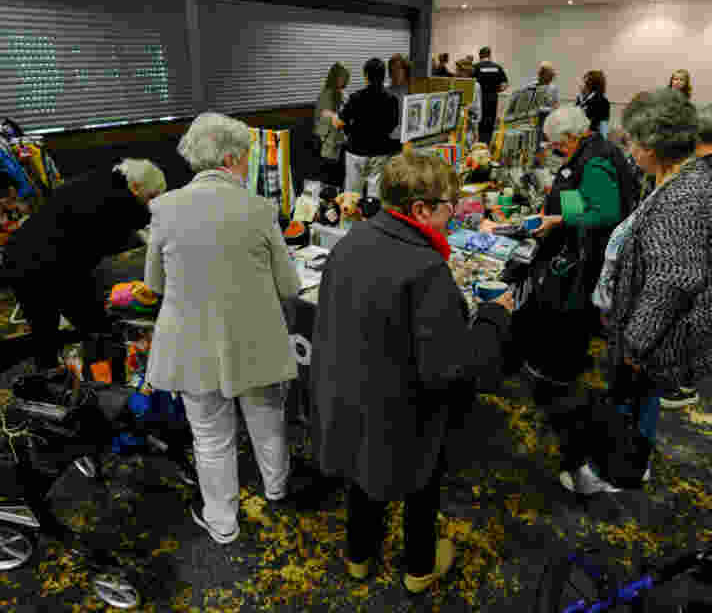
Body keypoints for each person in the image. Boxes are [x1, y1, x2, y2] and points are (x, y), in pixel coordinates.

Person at [309, 151, 513, 593]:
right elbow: (449, 368)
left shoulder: (351, 241)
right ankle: (419, 568)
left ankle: (360, 556)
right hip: (403, 409)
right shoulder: (425, 269)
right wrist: (494, 318)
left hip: (349, 392)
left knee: (362, 479)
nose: (452, 216)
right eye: (448, 208)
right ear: (421, 209)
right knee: (421, 489)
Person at [143, 113, 303, 545]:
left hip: (192, 344)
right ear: (233, 157)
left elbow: (153, 284)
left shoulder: (163, 208)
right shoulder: (259, 209)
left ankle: (222, 522)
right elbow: (289, 285)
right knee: (268, 420)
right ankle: (276, 488)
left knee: (210, 438)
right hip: (256, 340)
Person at [560, 88, 712, 493]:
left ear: (653, 146)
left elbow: (674, 281)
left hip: (653, 337)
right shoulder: (675, 179)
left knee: (632, 403)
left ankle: (620, 471)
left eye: (633, 142)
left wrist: (634, 345)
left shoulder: (683, 199)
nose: (628, 149)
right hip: (648, 328)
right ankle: (627, 460)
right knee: (636, 402)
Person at [507, 105, 635, 392]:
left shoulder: (594, 160)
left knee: (569, 310)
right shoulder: (591, 150)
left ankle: (557, 372)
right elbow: (582, 195)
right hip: (579, 244)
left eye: (557, 143)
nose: (555, 149)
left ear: (569, 136)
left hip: (586, 253)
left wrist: (559, 219)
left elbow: (604, 213)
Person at [2, 159, 166, 371]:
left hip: (21, 255)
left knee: (44, 330)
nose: (151, 203)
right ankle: (104, 377)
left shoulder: (97, 178)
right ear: (135, 187)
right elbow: (123, 236)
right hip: (51, 265)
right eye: (150, 197)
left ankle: (50, 380)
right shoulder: (118, 198)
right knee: (95, 324)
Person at [340, 58, 399, 199]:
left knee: (353, 195)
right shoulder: (391, 99)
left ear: (366, 75)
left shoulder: (355, 97)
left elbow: (343, 121)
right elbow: (393, 124)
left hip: (356, 150)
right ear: (384, 75)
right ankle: (373, 220)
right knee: (375, 195)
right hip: (380, 151)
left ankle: (352, 221)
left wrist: (349, 133)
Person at [313, 62, 350, 186]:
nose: (343, 80)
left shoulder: (344, 94)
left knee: (340, 179)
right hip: (328, 145)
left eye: (345, 77)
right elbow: (321, 119)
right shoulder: (326, 94)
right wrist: (333, 117)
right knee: (329, 180)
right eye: (341, 77)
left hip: (342, 143)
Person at [472, 47, 508, 145]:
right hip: (493, 99)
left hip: (480, 99)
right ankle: (487, 145)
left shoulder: (476, 67)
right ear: (489, 55)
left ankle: (479, 146)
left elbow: (470, 85)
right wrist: (495, 90)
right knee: (490, 123)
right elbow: (504, 85)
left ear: (480, 55)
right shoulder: (497, 67)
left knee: (480, 123)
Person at [575, 70, 611, 137]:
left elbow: (604, 125)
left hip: (592, 139)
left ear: (591, 84)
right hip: (578, 136)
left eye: (583, 82)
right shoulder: (580, 98)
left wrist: (603, 139)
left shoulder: (602, 101)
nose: (580, 84)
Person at [387, 54, 411, 148]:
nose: (395, 73)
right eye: (392, 70)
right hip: (390, 140)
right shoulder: (385, 92)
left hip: (407, 139)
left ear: (405, 71)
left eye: (398, 69)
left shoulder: (412, 90)